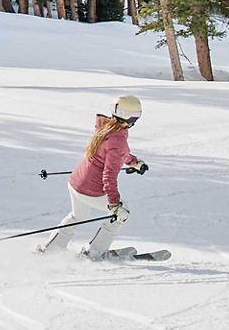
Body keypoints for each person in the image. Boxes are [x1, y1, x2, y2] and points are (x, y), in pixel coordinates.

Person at [40, 95, 150, 260]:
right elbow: (109, 176)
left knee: (78, 216)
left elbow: (115, 153)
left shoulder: (105, 127)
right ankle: (95, 252)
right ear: (131, 118)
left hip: (76, 183)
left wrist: (133, 162)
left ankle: (51, 248)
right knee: (122, 213)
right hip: (90, 190)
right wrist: (114, 203)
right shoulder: (118, 140)